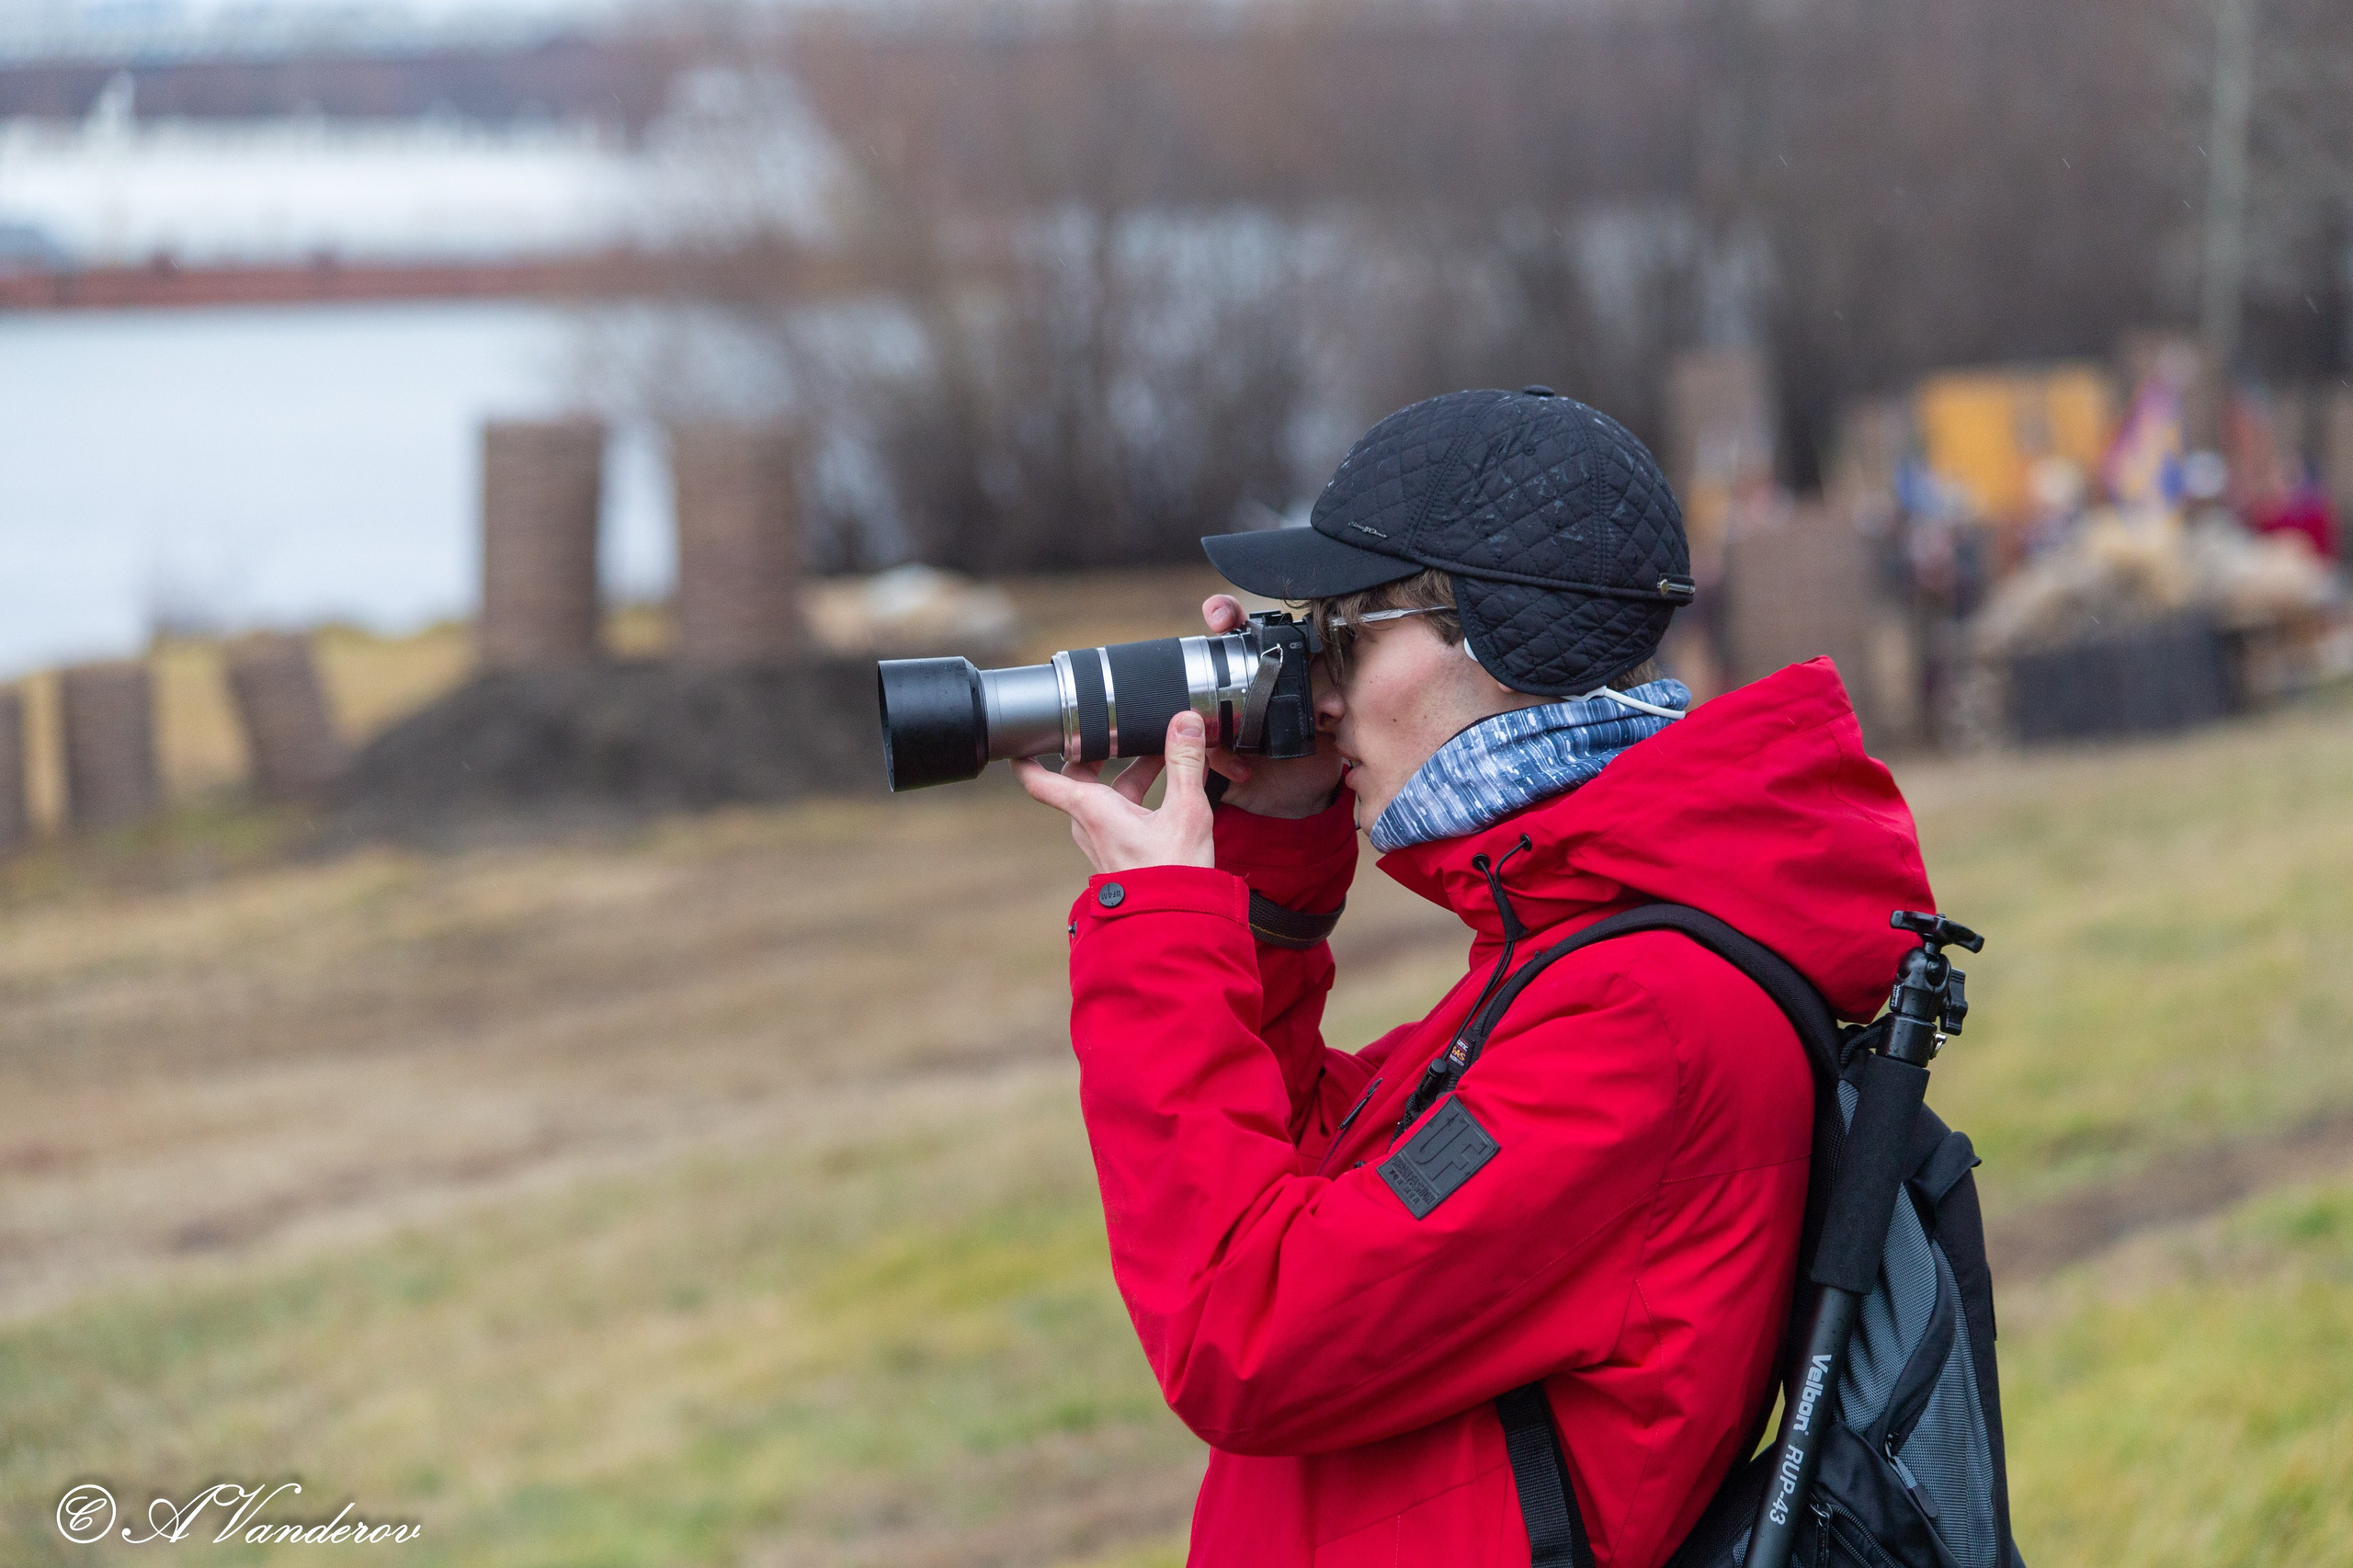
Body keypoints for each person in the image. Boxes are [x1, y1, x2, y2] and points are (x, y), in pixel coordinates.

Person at [1017, 387, 1934, 1568]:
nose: (1321, 696)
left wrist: (1160, 929)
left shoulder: (1644, 1017)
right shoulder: (1573, 951)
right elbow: (1311, 1173)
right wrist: (1267, 859)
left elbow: (1249, 1328)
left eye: (1345, 638)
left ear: (1496, 638)